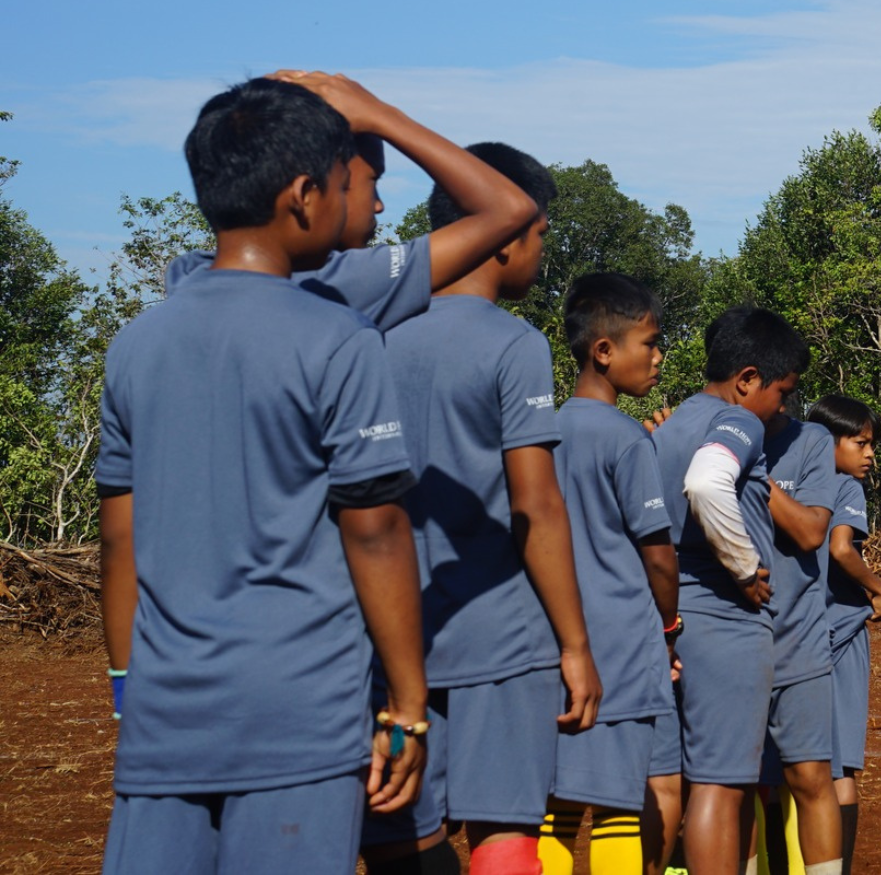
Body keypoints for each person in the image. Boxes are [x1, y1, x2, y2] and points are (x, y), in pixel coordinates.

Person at [97, 78, 428, 874]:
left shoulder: (137, 345)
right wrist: (409, 707)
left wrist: (126, 692)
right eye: (350, 184)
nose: (359, 202)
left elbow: (120, 541)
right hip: (297, 715)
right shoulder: (339, 340)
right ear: (305, 195)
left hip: (164, 718)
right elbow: (375, 527)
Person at [361, 143, 602, 875]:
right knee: (504, 835)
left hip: (390, 636)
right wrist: (574, 643)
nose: (540, 252)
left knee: (403, 840)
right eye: (540, 235)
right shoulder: (513, 344)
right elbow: (536, 504)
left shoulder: (371, 335)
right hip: (502, 637)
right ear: (502, 235)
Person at [164, 71, 538, 329]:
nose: (378, 205)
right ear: (309, 190)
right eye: (369, 182)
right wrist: (381, 116)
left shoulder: (187, 276)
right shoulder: (341, 284)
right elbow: (510, 208)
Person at [539, 274, 681, 875]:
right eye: (648, 343)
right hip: (620, 642)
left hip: (554, 641)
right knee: (618, 808)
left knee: (557, 808)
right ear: (604, 350)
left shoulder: (540, 432)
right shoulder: (626, 439)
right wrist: (670, 623)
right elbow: (656, 553)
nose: (657, 357)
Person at [650, 306, 797, 875]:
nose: (780, 407)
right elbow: (707, 483)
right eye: (781, 391)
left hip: (667, 620)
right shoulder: (739, 421)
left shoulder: (674, 422)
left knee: (669, 785)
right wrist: (742, 566)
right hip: (724, 620)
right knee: (721, 785)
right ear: (747, 380)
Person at [748, 397, 847, 875]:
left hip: (800, 641)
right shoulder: (704, 434)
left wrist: (751, 477)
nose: (781, 397)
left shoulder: (811, 441)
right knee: (736, 784)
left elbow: (811, 532)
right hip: (733, 638)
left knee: (810, 778)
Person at [810, 395, 881, 875]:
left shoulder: (784, 479)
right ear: (828, 440)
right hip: (838, 634)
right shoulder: (845, 489)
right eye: (860, 442)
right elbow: (842, 549)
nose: (869, 454)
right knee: (839, 768)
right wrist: (877, 588)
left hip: (791, 635)